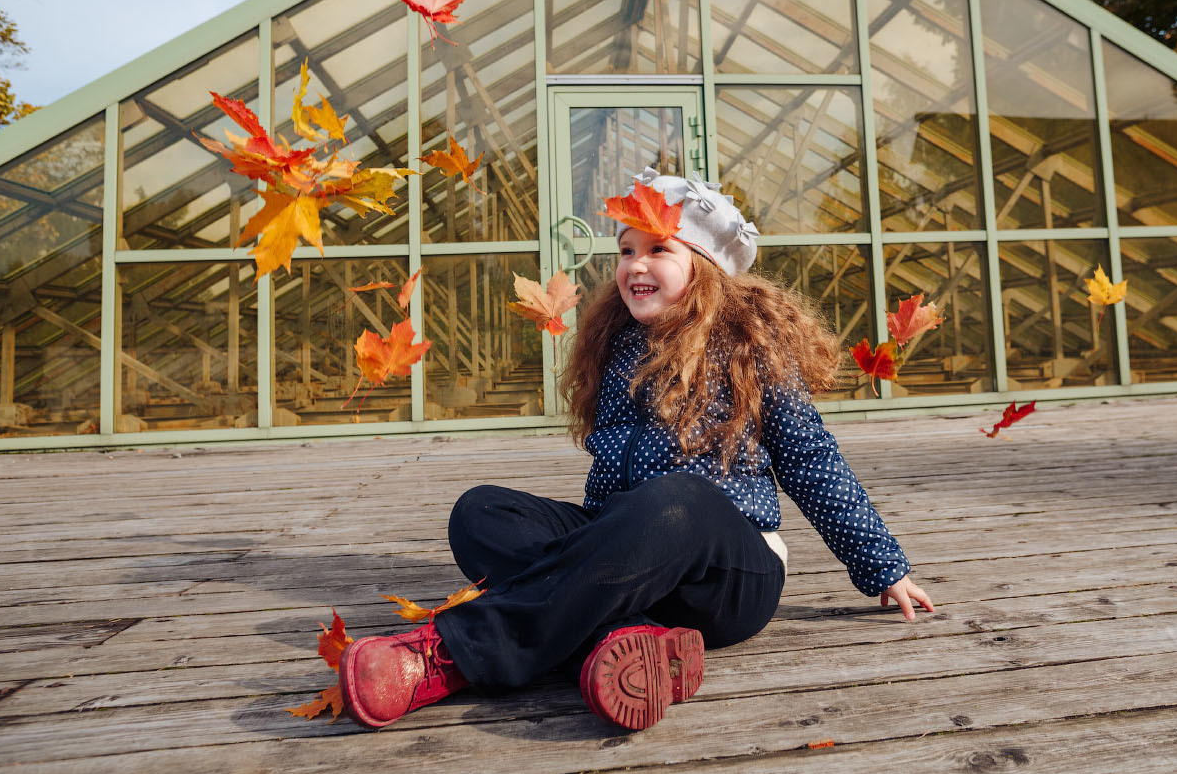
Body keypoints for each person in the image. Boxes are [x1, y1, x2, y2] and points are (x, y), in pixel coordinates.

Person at [337, 168, 935, 732]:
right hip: (624, 554)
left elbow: (810, 458)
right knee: (481, 513)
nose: (635, 265)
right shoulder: (617, 343)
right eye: (626, 250)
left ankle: (458, 654)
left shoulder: (748, 346)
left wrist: (883, 568)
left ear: (705, 267)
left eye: (658, 250)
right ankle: (622, 641)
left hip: (727, 574)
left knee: (677, 498)